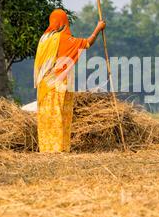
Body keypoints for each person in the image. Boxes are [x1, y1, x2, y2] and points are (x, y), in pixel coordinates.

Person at [34, 9, 106, 152]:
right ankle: (59, 147)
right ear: (64, 22)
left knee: (46, 116)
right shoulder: (61, 38)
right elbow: (86, 43)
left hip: (44, 85)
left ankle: (46, 148)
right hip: (58, 84)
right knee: (60, 115)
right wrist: (98, 29)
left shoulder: (44, 39)